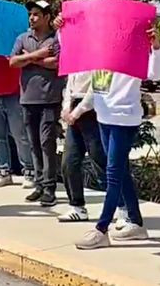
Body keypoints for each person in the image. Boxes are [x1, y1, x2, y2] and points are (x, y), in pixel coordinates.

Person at [69, 20, 160, 250]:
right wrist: (77, 111)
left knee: (112, 172)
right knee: (120, 171)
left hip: (124, 120)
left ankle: (101, 229)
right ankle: (136, 222)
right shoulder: (102, 59)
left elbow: (156, 73)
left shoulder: (134, 54)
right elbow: (96, 91)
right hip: (104, 119)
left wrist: (156, 47)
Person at [9, 0, 65, 206]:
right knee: (33, 144)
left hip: (50, 99)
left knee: (46, 143)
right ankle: (39, 185)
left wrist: (29, 58)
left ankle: (50, 187)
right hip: (27, 99)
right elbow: (12, 62)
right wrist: (39, 55)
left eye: (36, 15)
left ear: (47, 17)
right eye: (30, 14)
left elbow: (57, 64)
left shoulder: (57, 38)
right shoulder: (23, 38)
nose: (31, 18)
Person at [57, 70, 108, 222]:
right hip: (75, 109)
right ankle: (77, 205)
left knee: (101, 162)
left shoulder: (101, 56)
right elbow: (69, 87)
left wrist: (78, 111)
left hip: (94, 111)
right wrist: (66, 107)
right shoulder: (77, 56)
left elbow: (100, 87)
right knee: (69, 162)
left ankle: (122, 205)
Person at [0, 53, 35, 188]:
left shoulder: (12, 40)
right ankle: (3, 171)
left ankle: (29, 171)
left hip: (13, 92)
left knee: (20, 135)